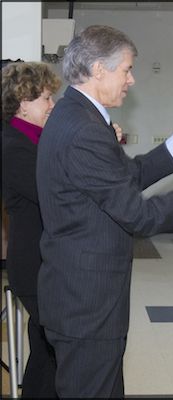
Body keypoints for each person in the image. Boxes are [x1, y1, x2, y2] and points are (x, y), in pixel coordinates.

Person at [35, 24, 173, 398]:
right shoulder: (82, 128)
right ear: (99, 69)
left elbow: (127, 177)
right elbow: (140, 216)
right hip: (86, 306)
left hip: (81, 299)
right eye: (127, 69)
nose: (131, 80)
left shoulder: (78, 115)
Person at [2, 61, 61, 398]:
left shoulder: (35, 140)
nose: (52, 105)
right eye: (47, 99)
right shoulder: (14, 147)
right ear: (24, 102)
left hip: (44, 262)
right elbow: (52, 195)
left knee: (44, 346)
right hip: (33, 265)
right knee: (53, 349)